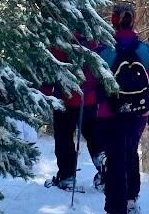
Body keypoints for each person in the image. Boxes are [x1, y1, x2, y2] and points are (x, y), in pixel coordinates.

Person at [95, 2, 149, 214]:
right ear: (133, 21)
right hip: (138, 114)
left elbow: (92, 82)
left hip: (110, 113)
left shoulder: (104, 51)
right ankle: (131, 202)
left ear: (113, 21)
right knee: (130, 152)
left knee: (115, 160)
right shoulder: (146, 51)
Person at [43, 39, 106, 191]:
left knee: (64, 137)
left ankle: (67, 177)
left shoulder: (58, 43)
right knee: (95, 137)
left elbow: (50, 71)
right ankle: (106, 172)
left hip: (64, 100)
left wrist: (45, 93)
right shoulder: (94, 42)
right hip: (89, 100)